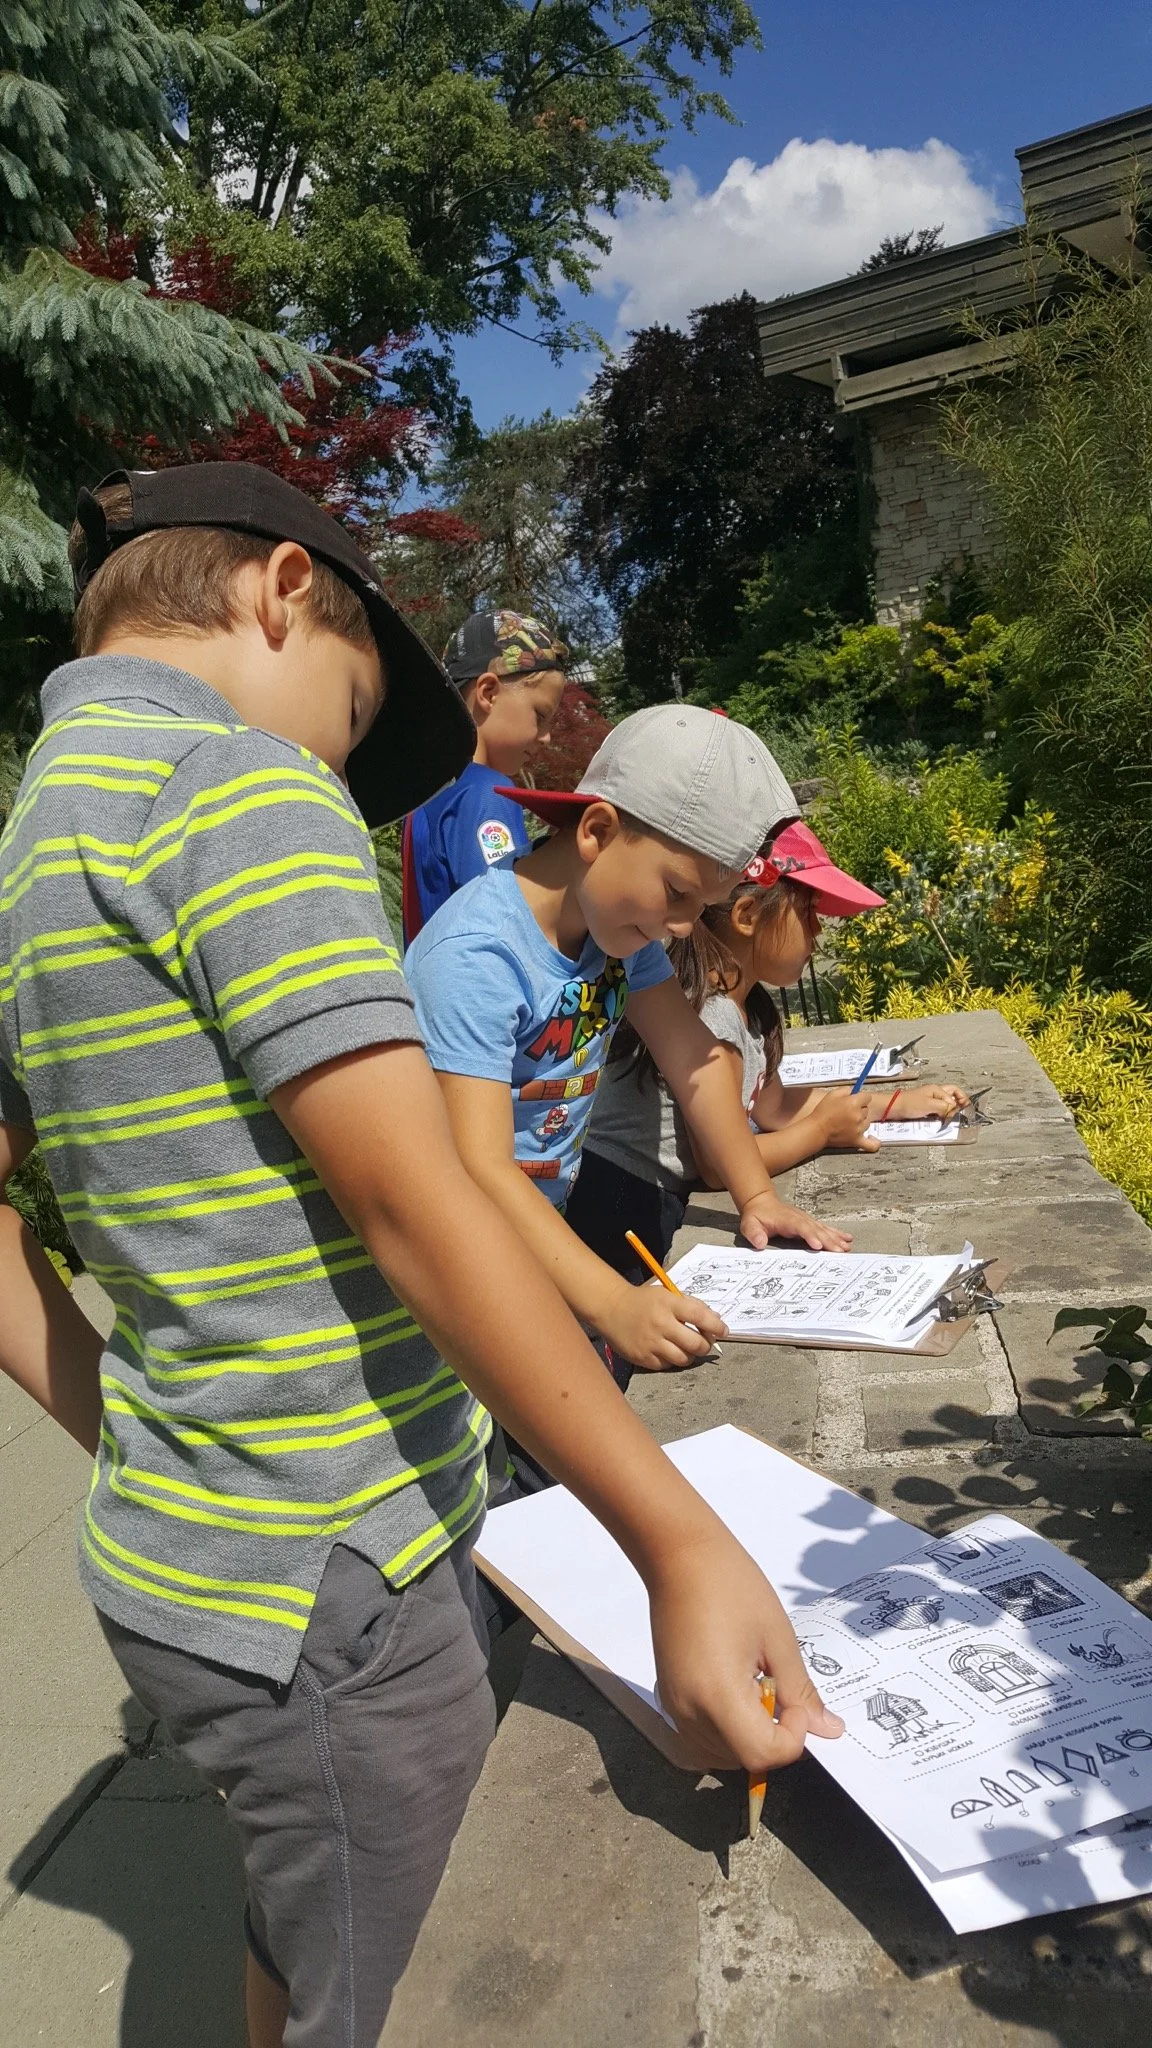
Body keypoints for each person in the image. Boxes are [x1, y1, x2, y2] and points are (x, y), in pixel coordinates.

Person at [0, 466, 842, 2048]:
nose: (335, 754)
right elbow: (418, 1204)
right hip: (335, 1568)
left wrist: (124, 1423)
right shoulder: (242, 789)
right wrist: (678, 1545)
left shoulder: (37, 831)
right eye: (349, 710)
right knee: (403, 1975)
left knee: (299, 1910)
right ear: (280, 594)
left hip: (195, 1563)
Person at [403, 706, 852, 1447]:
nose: (683, 929)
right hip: (457, 1267)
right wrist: (611, 1303)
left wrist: (758, 1195)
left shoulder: (616, 941)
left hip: (536, 1248)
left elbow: (697, 1063)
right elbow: (477, 1168)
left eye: (700, 907)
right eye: (676, 894)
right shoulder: (478, 958)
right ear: (597, 832)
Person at [566, 817, 969, 1289]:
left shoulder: (747, 1009)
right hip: (620, 1202)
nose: (819, 931)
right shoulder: (712, 1016)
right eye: (809, 912)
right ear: (748, 915)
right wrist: (820, 1132)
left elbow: (773, 1107)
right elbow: (718, 1166)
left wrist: (895, 1106)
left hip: (636, 1195)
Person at [400, 609, 569, 943]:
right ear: (488, 693)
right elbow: (506, 927)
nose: (547, 737)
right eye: (540, 715)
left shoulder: (428, 795)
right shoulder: (487, 794)